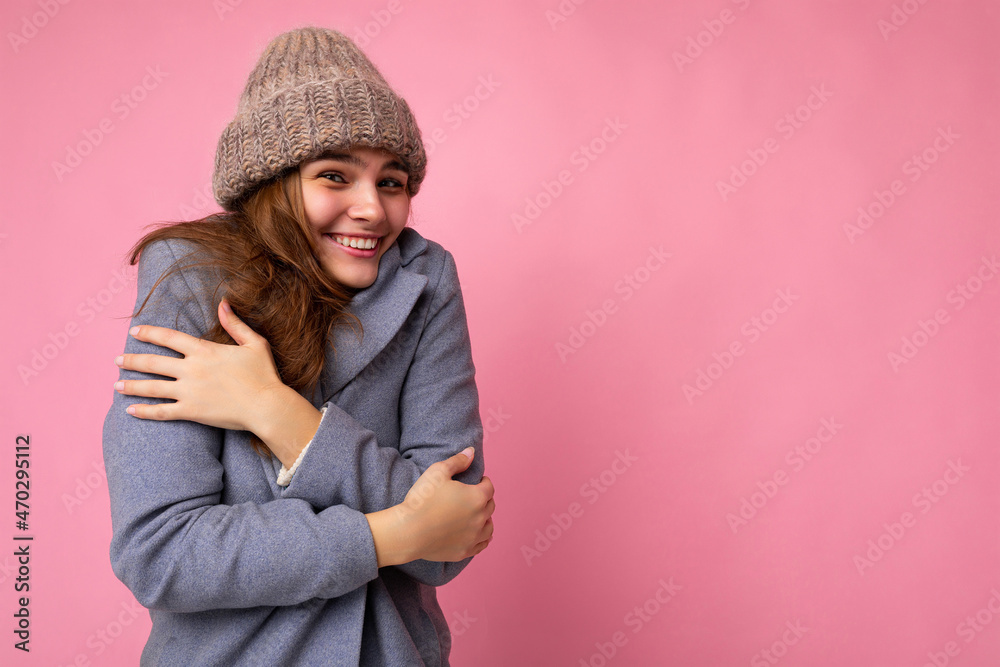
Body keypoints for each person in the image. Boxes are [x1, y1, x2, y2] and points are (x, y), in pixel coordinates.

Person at [102, 26, 495, 666]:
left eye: (392, 181)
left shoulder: (427, 280)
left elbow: (450, 538)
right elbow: (162, 553)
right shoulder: (191, 276)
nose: (371, 208)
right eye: (334, 176)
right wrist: (386, 535)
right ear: (273, 184)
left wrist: (274, 412)